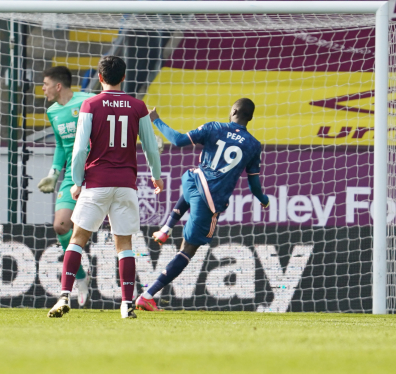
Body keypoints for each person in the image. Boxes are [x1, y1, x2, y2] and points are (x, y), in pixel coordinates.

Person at [47, 56, 163, 319]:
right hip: (125, 185)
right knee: (124, 244)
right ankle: (126, 304)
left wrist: (77, 182)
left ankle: (64, 295)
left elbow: (78, 150)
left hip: (96, 182)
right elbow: (149, 146)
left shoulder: (90, 104)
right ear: (123, 77)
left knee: (77, 239)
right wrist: (156, 176)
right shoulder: (138, 106)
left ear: (100, 78)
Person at [137, 98, 269, 311]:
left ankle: (166, 228)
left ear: (233, 110)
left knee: (194, 184)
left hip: (192, 180)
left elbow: (179, 140)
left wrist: (156, 120)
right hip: (210, 199)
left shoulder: (214, 127)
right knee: (187, 251)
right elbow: (254, 186)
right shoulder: (253, 145)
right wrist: (264, 200)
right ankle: (148, 295)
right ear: (250, 117)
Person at [38, 66, 93, 306]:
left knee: (120, 233)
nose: (42, 89)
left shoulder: (88, 101)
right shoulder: (52, 111)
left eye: (45, 84)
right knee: (61, 226)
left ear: (58, 86)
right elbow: (61, 145)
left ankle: (140, 293)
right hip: (72, 175)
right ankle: (81, 276)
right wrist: (53, 173)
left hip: (97, 171)